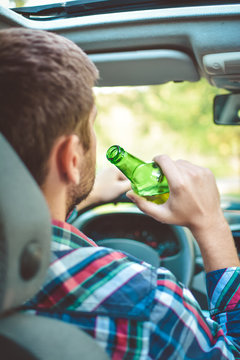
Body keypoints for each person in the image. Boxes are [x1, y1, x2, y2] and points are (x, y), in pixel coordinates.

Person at [0, 28, 240, 359]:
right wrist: (211, 223)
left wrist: (77, 193)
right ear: (70, 158)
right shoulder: (149, 304)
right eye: (92, 124)